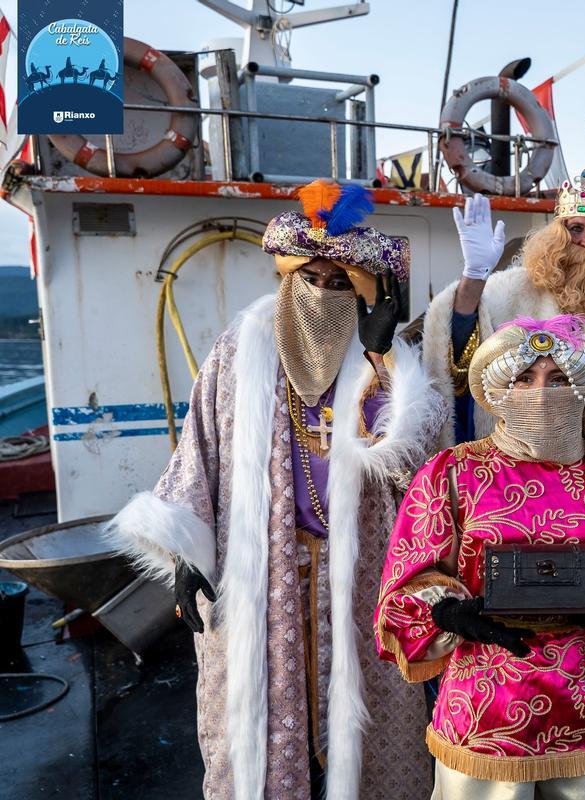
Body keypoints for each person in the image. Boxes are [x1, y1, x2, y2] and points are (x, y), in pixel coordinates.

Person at [105, 180, 445, 799]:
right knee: (261, 730)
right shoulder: (239, 351)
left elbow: (418, 466)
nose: (324, 294)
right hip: (262, 574)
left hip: (363, 573)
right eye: (312, 279)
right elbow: (199, 451)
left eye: (342, 283)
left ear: (367, 292)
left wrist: (383, 358)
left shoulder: (385, 363)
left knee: (370, 728)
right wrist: (183, 552)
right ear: (288, 279)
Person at [375, 315, 585, 799]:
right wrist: (450, 612)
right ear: (501, 388)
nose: (542, 392)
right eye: (526, 378)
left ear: (582, 388)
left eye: (558, 379)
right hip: (485, 710)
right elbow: (408, 581)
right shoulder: (452, 474)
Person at [422, 171, 585, 480]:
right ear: (557, 234)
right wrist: (474, 278)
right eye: (576, 228)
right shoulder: (510, 294)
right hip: (522, 472)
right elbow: (464, 358)